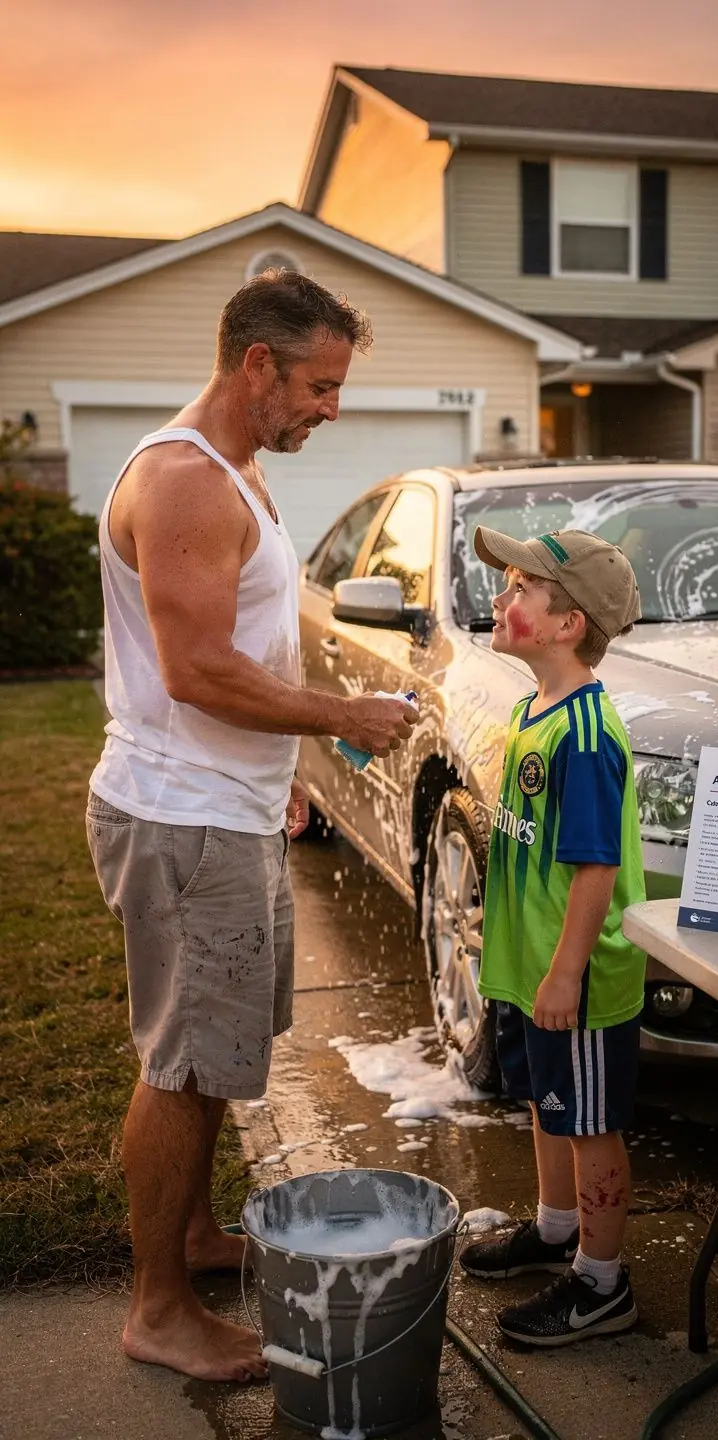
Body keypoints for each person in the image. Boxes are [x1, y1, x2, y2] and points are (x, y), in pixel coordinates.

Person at [85, 269, 419, 1383]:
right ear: (257, 365)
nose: (332, 408)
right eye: (319, 386)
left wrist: (281, 770)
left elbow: (240, 656)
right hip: (180, 820)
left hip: (222, 807)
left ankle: (187, 1239)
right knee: (183, 1062)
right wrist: (342, 717)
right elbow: (196, 671)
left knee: (216, 1047)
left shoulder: (239, 471)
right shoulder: (184, 481)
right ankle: (158, 1310)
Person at [459, 526, 646, 1347]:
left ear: (568, 623)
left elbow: (595, 868)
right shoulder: (537, 707)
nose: (500, 600)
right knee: (548, 1101)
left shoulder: (589, 735)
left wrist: (567, 972)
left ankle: (604, 1285)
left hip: (579, 976)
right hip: (533, 967)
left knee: (592, 1121)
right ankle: (555, 1226)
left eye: (518, 590)